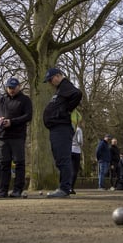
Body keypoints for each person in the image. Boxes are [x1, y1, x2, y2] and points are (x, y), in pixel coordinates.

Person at [42, 67, 82, 198]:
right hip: (56, 127)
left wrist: (65, 111)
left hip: (62, 127)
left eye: (50, 79)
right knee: (59, 157)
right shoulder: (60, 90)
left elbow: (77, 94)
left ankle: (65, 188)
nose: (50, 83)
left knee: (63, 157)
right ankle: (64, 187)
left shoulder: (65, 86)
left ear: (58, 76)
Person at [0, 77, 33, 198]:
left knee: (19, 163)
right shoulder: (2, 100)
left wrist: (12, 122)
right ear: (6, 88)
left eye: (14, 88)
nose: (12, 90)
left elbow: (28, 116)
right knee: (4, 164)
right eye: (10, 88)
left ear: (19, 87)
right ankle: (3, 189)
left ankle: (17, 189)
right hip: (3, 136)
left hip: (17, 136)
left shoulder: (25, 100)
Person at [70, 119, 83, 194]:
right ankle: (71, 187)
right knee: (75, 170)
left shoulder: (68, 129)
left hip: (69, 149)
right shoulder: (78, 130)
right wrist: (80, 144)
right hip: (76, 150)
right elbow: (80, 140)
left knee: (69, 169)